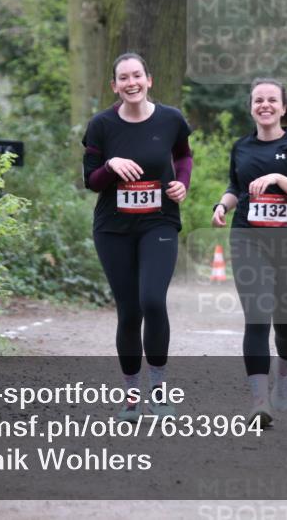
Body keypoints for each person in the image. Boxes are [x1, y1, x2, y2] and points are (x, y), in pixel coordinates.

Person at [82, 53, 192, 421]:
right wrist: (111, 165)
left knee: (152, 301)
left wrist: (182, 184)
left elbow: (184, 156)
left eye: (137, 76)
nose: (131, 83)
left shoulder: (171, 119)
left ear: (149, 79)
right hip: (113, 228)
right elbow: (91, 180)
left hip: (158, 222)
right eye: (123, 78)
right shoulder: (101, 126)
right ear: (114, 86)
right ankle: (131, 397)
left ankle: (159, 393)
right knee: (129, 311)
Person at [211, 78, 287, 427]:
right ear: (251, 107)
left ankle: (285, 372)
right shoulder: (241, 147)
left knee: (285, 324)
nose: (265, 105)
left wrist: (277, 177)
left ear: (283, 107)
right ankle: (260, 403)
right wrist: (222, 205)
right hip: (249, 237)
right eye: (258, 100)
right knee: (257, 317)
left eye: (272, 100)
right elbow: (235, 186)